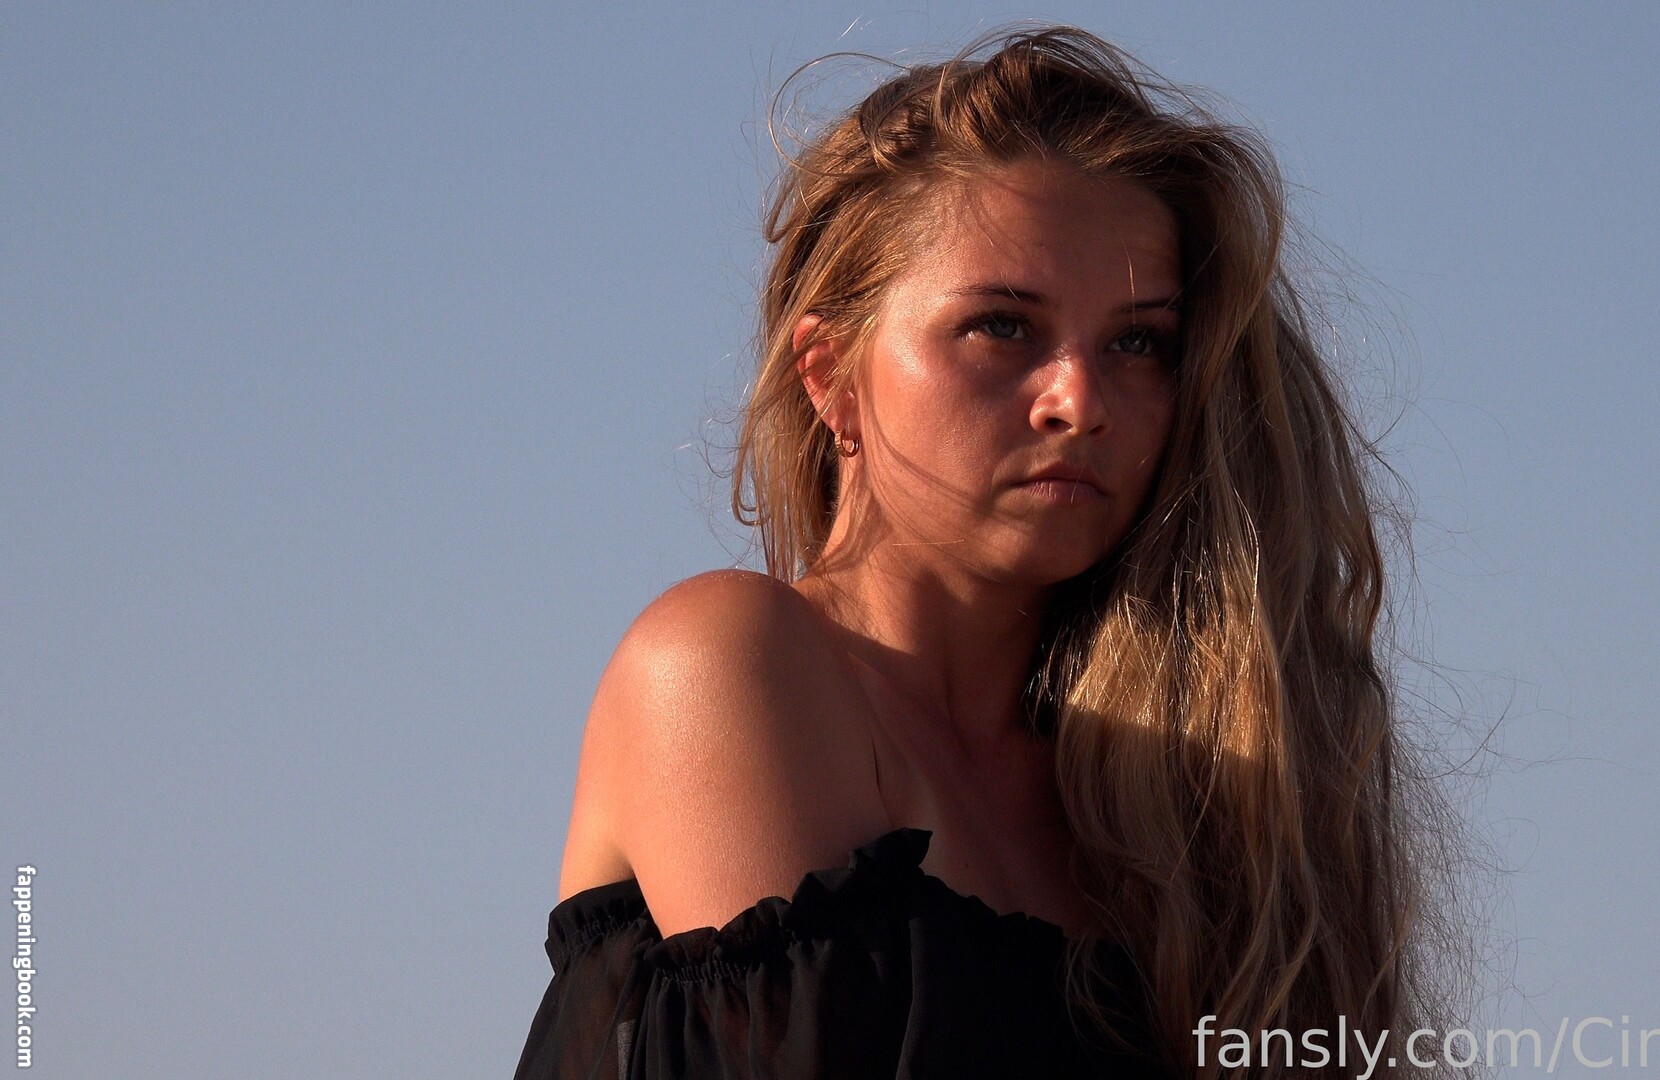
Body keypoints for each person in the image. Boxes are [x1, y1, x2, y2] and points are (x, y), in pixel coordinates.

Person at [514, 25, 1462, 1080]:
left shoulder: (1190, 810)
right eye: (1002, 326)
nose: (1080, 401)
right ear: (830, 375)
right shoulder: (731, 662)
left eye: (1138, 342)